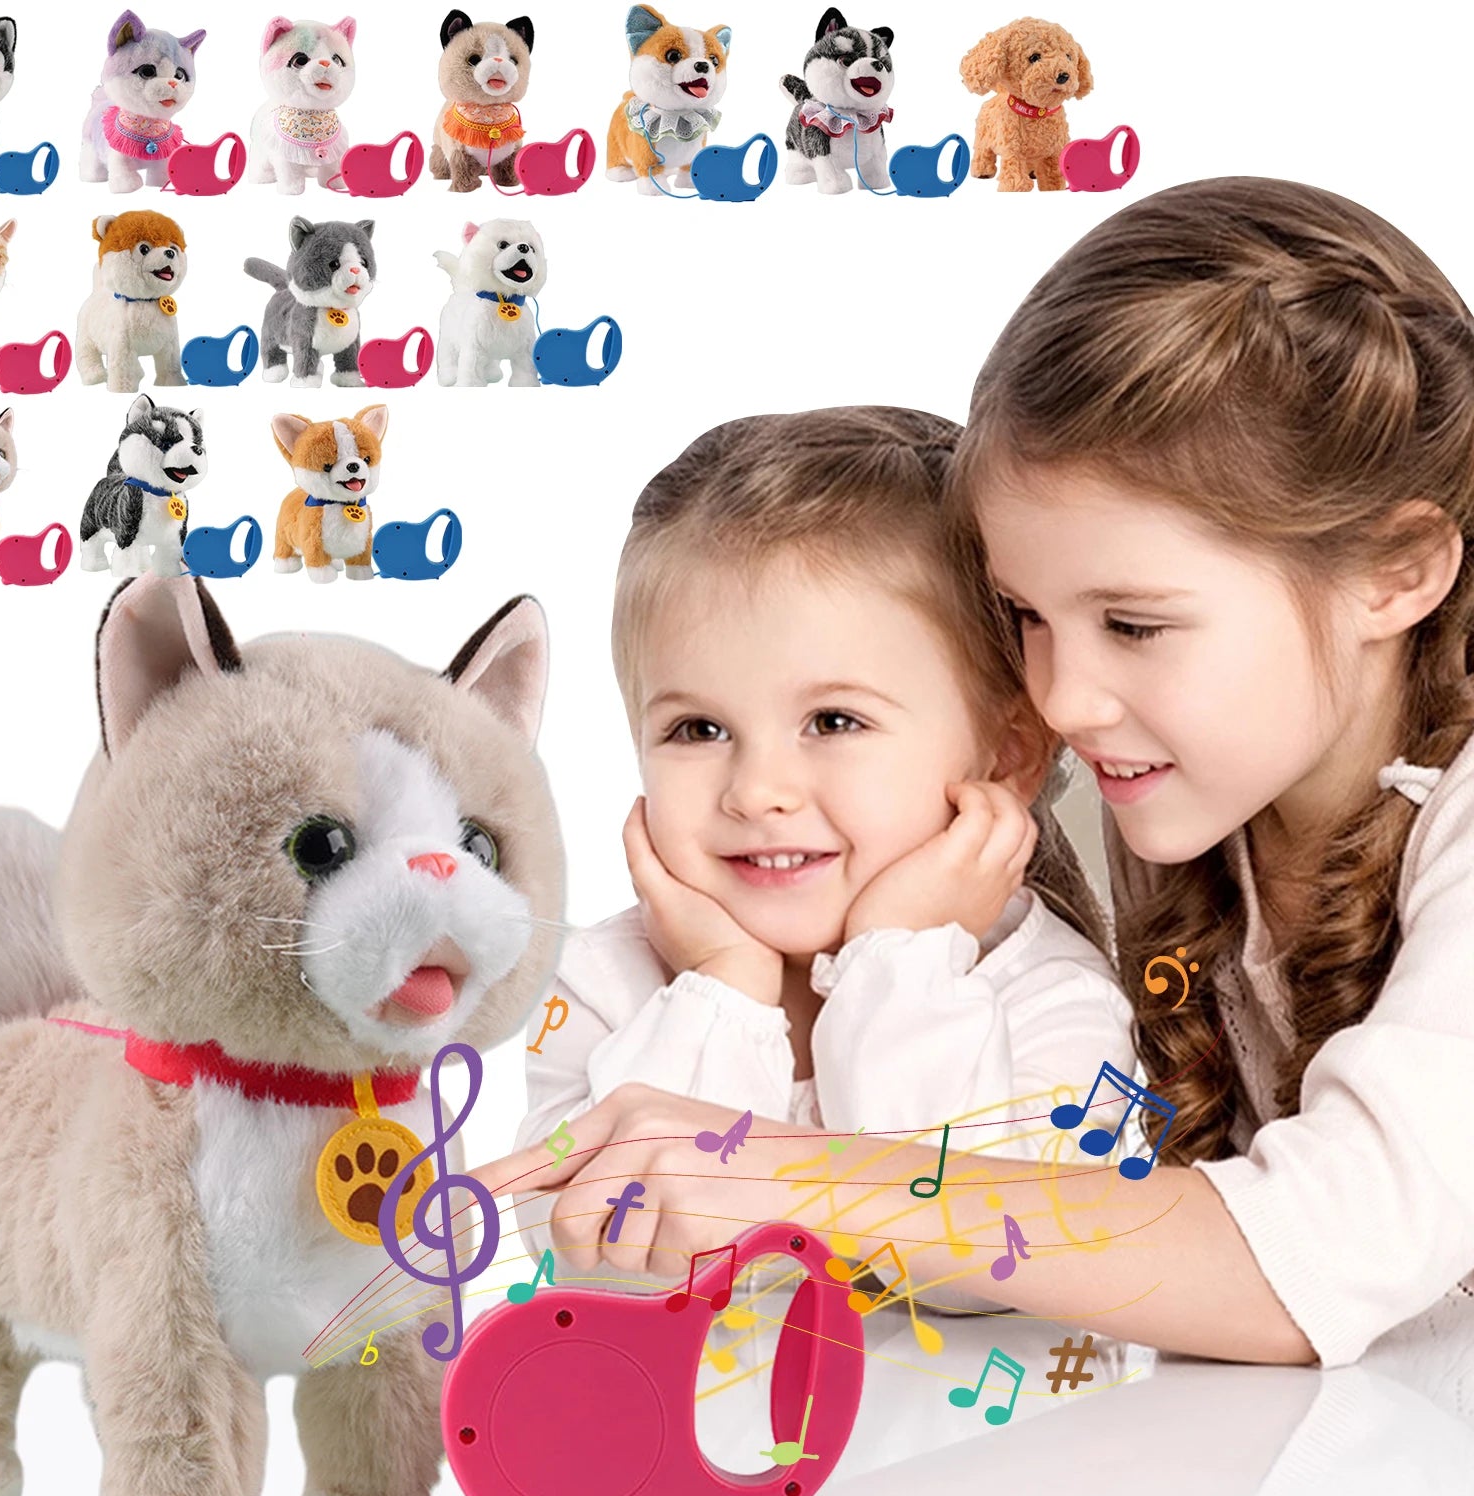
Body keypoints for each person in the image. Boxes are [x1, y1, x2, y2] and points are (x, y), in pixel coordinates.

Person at [476, 178, 1474, 1368]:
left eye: (1135, 624)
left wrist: (779, 1174)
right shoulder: (1156, 788)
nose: (1059, 699)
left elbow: (1318, 1250)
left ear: (1394, 571)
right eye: (1025, 616)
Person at [505, 405, 1134, 1283]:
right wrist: (723, 989)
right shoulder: (604, 986)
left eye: (833, 721)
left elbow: (979, 1269)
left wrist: (899, 959)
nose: (757, 790)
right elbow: (606, 1261)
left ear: (1007, 755)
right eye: (697, 729)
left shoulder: (1050, 995)